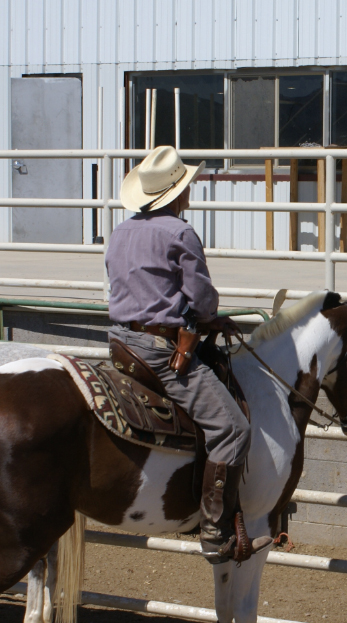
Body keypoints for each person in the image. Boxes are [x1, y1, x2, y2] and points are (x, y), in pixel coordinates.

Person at [105, 145, 272, 563]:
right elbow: (201, 299)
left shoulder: (121, 231)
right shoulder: (180, 233)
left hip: (122, 344)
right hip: (159, 351)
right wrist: (209, 318)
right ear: (178, 192)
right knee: (232, 429)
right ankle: (215, 530)